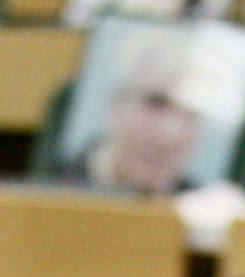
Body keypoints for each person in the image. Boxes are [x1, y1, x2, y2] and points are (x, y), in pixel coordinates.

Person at [81, 47, 204, 196]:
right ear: (115, 106)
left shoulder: (200, 207)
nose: (172, 133)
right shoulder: (51, 182)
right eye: (156, 103)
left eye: (192, 113)